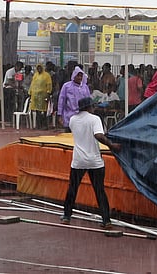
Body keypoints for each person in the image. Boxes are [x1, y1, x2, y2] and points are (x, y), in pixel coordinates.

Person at [61, 97, 121, 228]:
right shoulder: (95, 119)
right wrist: (111, 145)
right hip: (95, 161)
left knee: (73, 188)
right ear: (90, 107)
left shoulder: (73, 120)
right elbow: (99, 135)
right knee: (99, 190)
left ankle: (66, 216)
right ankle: (106, 220)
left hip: (78, 161)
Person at [57, 66, 91, 131]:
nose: (79, 78)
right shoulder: (66, 86)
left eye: (81, 76)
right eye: (78, 76)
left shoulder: (85, 87)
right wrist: (60, 115)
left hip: (82, 116)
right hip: (69, 116)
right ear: (74, 76)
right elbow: (61, 101)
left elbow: (88, 101)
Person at [28, 64, 52, 130]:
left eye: (40, 67)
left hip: (43, 96)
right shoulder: (35, 75)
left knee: (43, 112)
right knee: (37, 112)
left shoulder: (46, 75)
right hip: (35, 96)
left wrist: (48, 93)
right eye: (37, 68)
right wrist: (30, 92)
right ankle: (38, 125)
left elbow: (49, 85)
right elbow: (32, 84)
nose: (39, 69)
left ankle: (44, 126)